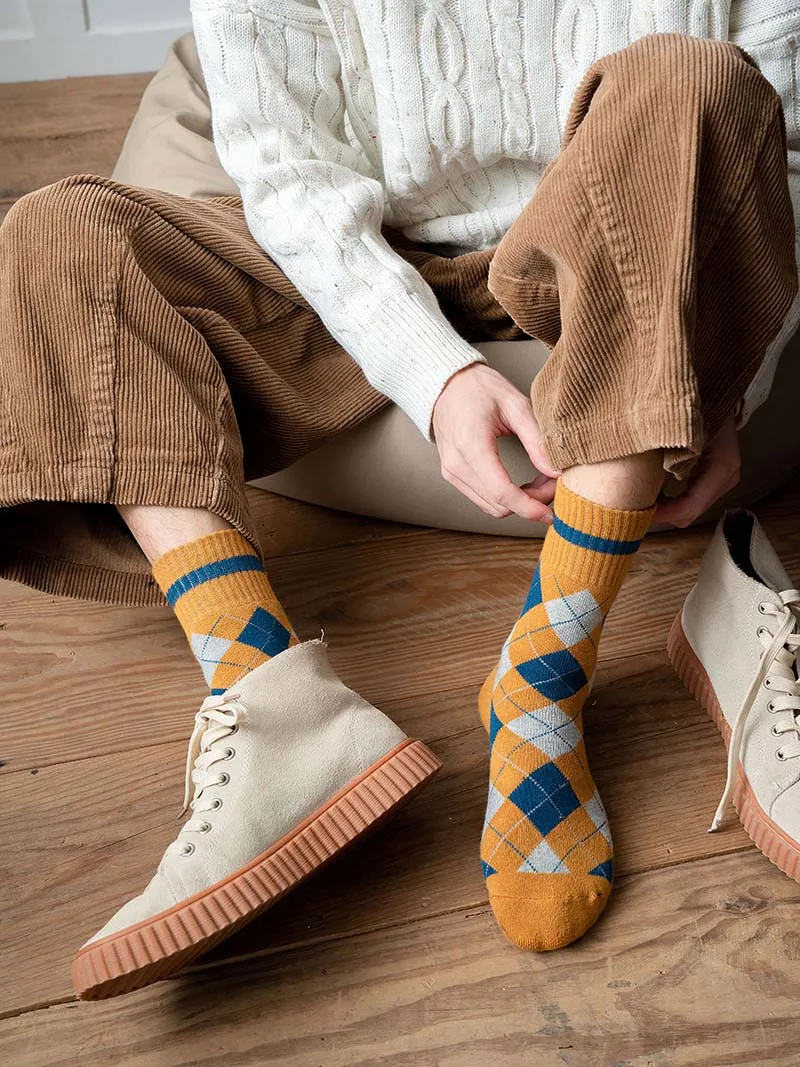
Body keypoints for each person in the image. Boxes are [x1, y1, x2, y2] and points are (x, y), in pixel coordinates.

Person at [1, 4, 799, 1001]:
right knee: (61, 232)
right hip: (367, 258)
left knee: (694, 81)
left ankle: (544, 672)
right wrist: (434, 374)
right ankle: (270, 694)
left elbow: (773, 167)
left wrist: (730, 377)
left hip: (616, 254)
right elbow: (283, 176)